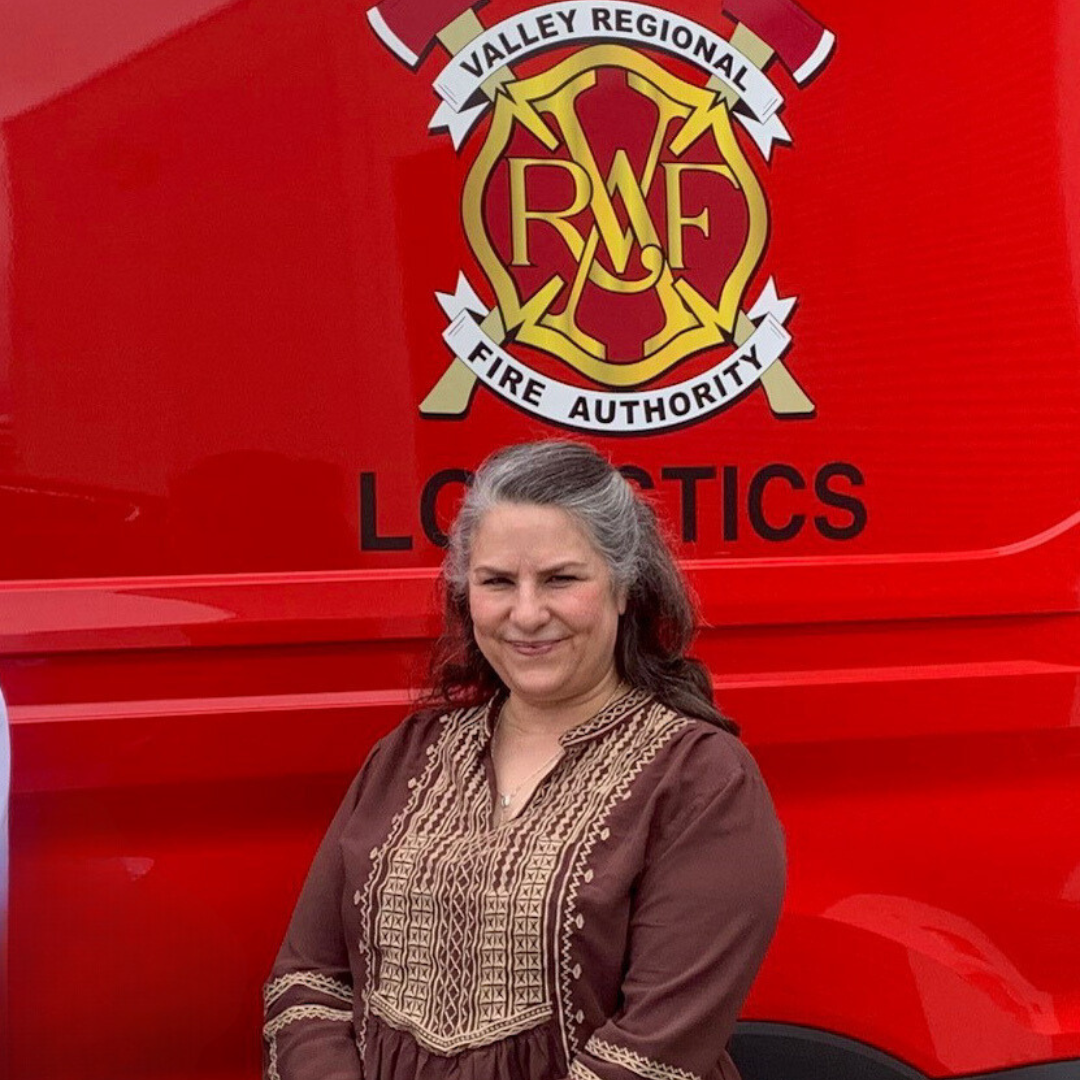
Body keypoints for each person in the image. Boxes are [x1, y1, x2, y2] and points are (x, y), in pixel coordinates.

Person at [263, 440, 786, 1080]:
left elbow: (653, 1056)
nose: (528, 613)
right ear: (467, 593)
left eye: (562, 579)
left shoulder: (701, 778)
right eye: (498, 582)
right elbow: (309, 984)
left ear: (624, 588)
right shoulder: (408, 753)